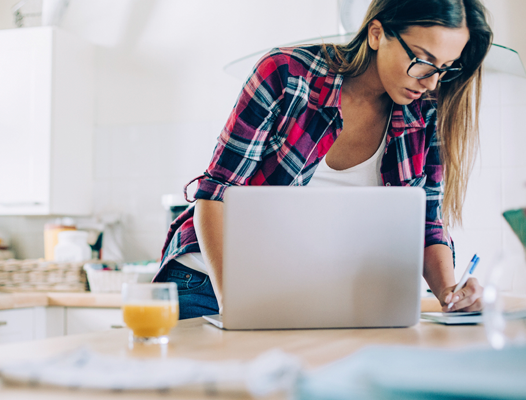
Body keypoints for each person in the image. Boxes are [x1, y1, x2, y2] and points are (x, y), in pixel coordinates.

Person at [153, 0, 493, 320]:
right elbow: (215, 195)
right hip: (209, 283)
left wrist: (451, 293)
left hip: (306, 294)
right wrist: (236, 307)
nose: (431, 81)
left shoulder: (426, 113)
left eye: (444, 68)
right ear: (377, 34)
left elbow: (426, 223)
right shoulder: (286, 76)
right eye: (421, 59)